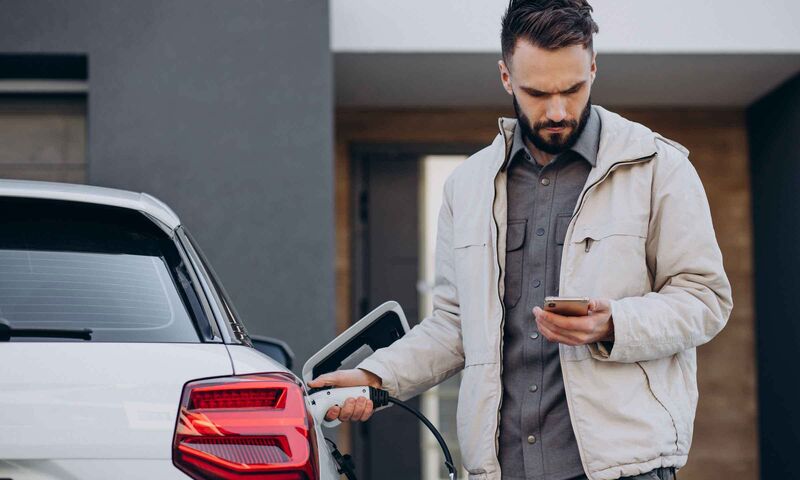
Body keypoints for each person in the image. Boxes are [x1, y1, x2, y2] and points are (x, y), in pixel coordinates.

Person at [308, 1, 732, 479]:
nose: (556, 110)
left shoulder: (659, 168)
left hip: (624, 469)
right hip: (501, 467)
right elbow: (454, 326)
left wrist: (615, 323)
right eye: (536, 92)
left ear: (593, 67)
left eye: (573, 89)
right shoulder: (466, 187)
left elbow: (704, 299)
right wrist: (375, 376)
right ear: (506, 78)